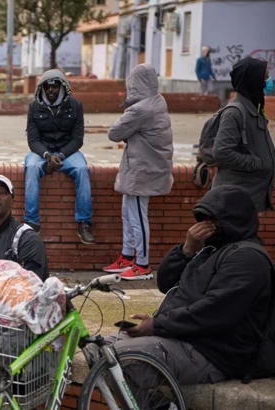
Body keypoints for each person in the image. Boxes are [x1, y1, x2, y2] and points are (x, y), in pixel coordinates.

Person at [86, 185, 271, 389]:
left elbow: (216, 311)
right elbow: (166, 283)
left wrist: (158, 325)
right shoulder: (209, 248)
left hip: (211, 351)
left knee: (121, 357)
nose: (207, 226)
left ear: (233, 219)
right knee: (95, 349)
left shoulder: (247, 257)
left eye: (213, 220)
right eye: (203, 219)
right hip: (179, 335)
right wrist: (186, 250)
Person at [103, 63, 174, 280]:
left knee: (137, 217)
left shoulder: (141, 109)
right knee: (128, 212)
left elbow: (114, 133)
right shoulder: (157, 100)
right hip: (144, 167)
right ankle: (127, 256)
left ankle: (142, 264)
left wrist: (129, 133)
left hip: (143, 170)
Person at [23, 69, 95, 244]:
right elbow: (33, 140)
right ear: (42, 89)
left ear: (63, 87)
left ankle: (84, 223)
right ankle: (32, 222)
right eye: (47, 88)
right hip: (43, 152)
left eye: (54, 87)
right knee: (31, 167)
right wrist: (47, 156)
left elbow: (77, 139)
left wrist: (60, 155)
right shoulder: (35, 106)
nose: (51, 91)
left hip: (68, 152)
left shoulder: (76, 105)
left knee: (82, 169)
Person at [211, 57, 274, 213]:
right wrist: (257, 164)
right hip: (233, 201)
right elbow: (221, 152)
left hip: (249, 197)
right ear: (253, 80)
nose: (269, 81)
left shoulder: (255, 108)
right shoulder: (235, 112)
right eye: (265, 76)